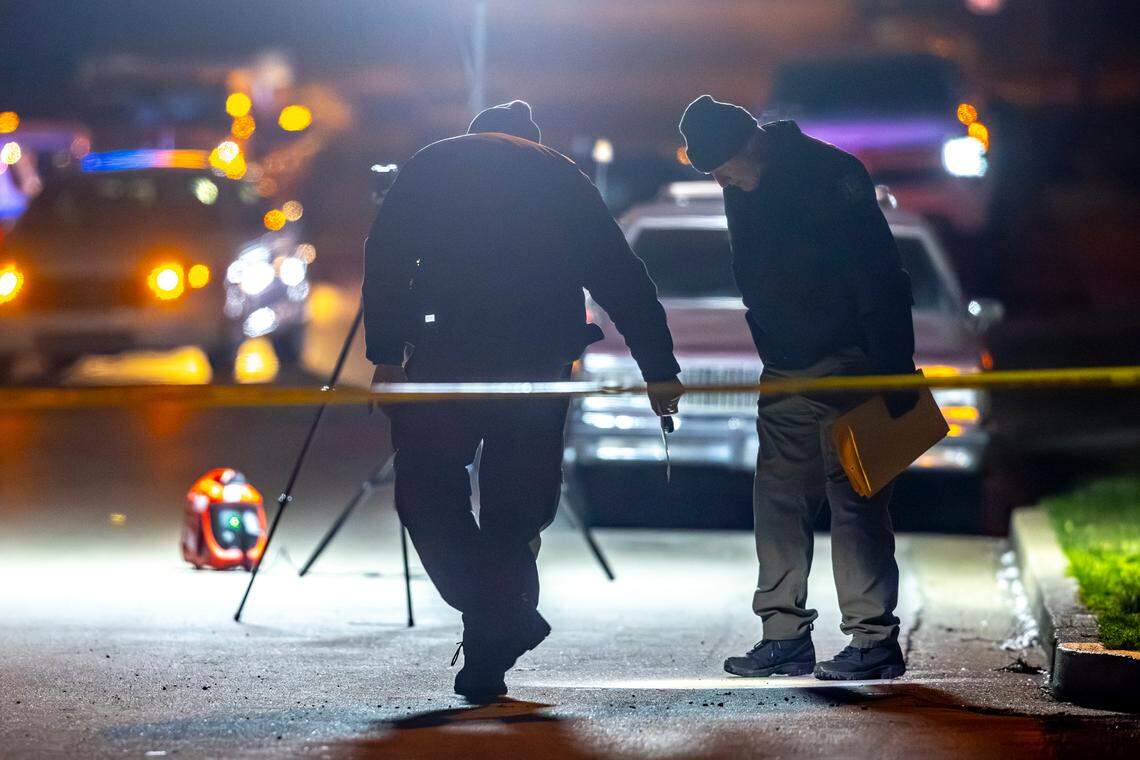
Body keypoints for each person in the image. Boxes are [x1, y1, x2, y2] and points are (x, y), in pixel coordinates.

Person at [364, 100, 684, 701]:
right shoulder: (562, 175)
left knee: (426, 488)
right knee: (515, 510)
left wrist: (384, 355)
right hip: (537, 363)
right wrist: (658, 370)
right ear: (530, 141)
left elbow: (384, 261)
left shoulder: (433, 164)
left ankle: (494, 625)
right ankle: (494, 639)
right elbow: (622, 278)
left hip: (446, 358)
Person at [678, 95, 918, 681]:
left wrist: (893, 368)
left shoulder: (831, 173)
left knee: (856, 501)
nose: (721, 181)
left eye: (723, 169)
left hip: (852, 362)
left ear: (750, 143)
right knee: (778, 499)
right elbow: (757, 276)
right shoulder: (744, 185)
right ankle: (783, 636)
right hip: (784, 367)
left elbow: (880, 274)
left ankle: (873, 641)